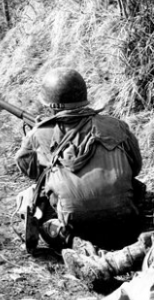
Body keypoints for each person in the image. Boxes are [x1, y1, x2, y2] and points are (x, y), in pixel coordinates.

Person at [14, 67, 143, 252]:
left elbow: (30, 170)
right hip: (125, 220)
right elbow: (135, 167)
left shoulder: (40, 133)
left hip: (75, 223)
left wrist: (42, 148)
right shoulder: (117, 126)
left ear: (51, 105)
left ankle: (60, 232)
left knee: (33, 195)